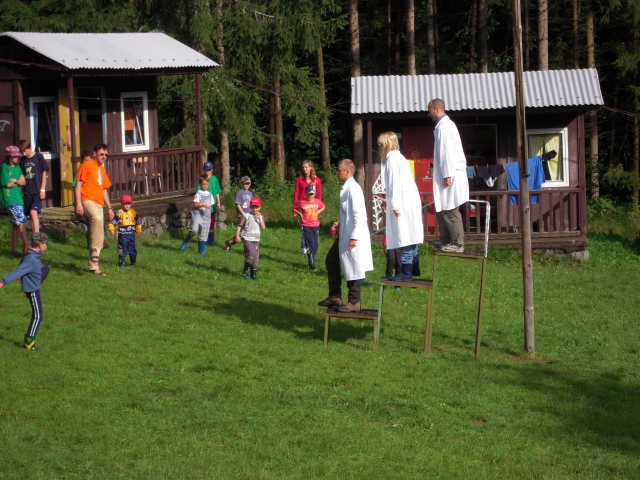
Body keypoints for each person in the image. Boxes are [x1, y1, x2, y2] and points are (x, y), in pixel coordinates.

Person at [318, 159, 373, 313]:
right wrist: (341, 222)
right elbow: (349, 213)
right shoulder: (346, 189)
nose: (337, 172)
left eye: (339, 170)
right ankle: (335, 295)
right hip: (345, 233)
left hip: (353, 235)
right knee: (332, 260)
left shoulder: (354, 189)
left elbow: (360, 215)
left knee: (353, 265)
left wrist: (354, 237)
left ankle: (354, 301)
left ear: (347, 172)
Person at [378, 131, 424, 281]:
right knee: (410, 234)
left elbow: (394, 184)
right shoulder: (399, 158)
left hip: (403, 201)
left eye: (381, 144)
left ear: (387, 145)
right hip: (408, 199)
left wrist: (395, 205)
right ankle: (414, 266)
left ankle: (406, 271)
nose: (379, 147)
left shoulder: (392, 160)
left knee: (404, 235)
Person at [427, 98, 469, 253]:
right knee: (442, 207)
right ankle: (445, 239)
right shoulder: (443, 126)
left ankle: (457, 243)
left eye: (430, 111)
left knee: (450, 208)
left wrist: (447, 174)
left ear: (437, 109)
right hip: (448, 172)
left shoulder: (444, 127)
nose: (428, 114)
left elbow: (446, 153)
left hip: (451, 174)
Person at [0, 232, 50, 350]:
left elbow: (23, 265)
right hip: (32, 289)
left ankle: (35, 277)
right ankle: (29, 342)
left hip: (34, 280)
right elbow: (18, 271)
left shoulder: (30, 252)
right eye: (46, 244)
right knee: (38, 315)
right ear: (41, 245)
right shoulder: (31, 259)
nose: (47, 246)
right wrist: (2, 282)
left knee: (46, 268)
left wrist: (23, 274)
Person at [75, 144, 114, 276]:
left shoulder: (102, 170)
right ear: (95, 154)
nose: (104, 156)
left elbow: (104, 190)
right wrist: (78, 204)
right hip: (87, 200)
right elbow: (78, 185)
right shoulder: (86, 165)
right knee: (96, 219)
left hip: (99, 203)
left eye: (106, 154)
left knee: (98, 229)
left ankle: (94, 264)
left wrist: (109, 208)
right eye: (101, 154)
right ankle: (95, 251)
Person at [2, 146, 29, 257]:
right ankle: (27, 247)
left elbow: (23, 182)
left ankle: (14, 250)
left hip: (18, 198)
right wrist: (17, 181)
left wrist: (15, 181)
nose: (17, 158)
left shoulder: (17, 167)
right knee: (21, 221)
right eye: (15, 156)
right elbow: (7, 184)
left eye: (18, 156)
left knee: (16, 225)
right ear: (9, 157)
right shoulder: (4, 167)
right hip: (9, 199)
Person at [292, 160, 323, 254]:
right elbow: (296, 193)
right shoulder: (299, 179)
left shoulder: (316, 180)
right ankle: (304, 246)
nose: (304, 169)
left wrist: (318, 208)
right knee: (304, 226)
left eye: (306, 167)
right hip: (303, 206)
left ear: (310, 167)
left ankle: (313, 245)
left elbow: (319, 195)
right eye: (303, 167)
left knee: (313, 226)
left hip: (313, 206)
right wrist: (295, 210)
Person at [19, 140, 49, 234]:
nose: (24, 153)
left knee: (33, 212)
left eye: (25, 151)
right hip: (27, 191)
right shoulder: (22, 160)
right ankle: (34, 236)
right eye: (22, 152)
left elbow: (44, 173)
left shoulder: (38, 157)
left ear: (29, 148)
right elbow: (21, 176)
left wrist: (42, 189)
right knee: (31, 216)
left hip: (37, 191)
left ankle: (37, 237)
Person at [179, 175, 214, 257]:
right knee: (194, 230)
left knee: (204, 234)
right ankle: (186, 241)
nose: (205, 186)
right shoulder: (198, 193)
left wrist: (209, 213)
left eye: (206, 184)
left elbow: (210, 205)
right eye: (203, 184)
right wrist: (203, 205)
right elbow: (195, 204)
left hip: (206, 216)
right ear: (200, 184)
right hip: (198, 214)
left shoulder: (210, 194)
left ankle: (201, 252)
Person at [295, 184, 325, 269]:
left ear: (314, 194)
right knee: (311, 243)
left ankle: (311, 256)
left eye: (312, 194)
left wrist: (318, 212)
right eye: (308, 194)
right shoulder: (302, 202)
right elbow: (294, 207)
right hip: (306, 225)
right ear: (305, 193)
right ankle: (311, 262)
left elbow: (323, 206)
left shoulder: (317, 202)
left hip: (315, 225)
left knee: (315, 245)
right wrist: (300, 213)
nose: (310, 196)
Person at [236, 197, 266, 280]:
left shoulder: (260, 217)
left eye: (256, 207)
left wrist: (260, 219)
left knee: (256, 257)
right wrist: (237, 236)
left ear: (259, 207)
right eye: (253, 207)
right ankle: (245, 270)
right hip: (247, 238)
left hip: (255, 239)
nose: (255, 209)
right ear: (250, 207)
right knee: (251, 253)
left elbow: (263, 227)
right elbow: (239, 226)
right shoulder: (247, 216)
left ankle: (253, 274)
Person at [108, 194, 142, 267]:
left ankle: (133, 262)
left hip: (131, 235)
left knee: (132, 248)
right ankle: (122, 262)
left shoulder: (133, 212)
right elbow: (113, 222)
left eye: (129, 204)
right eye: (125, 204)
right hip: (123, 236)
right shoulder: (120, 213)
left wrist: (138, 230)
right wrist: (111, 229)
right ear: (122, 204)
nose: (127, 206)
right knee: (122, 248)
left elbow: (138, 222)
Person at [224, 176, 253, 251]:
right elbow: (238, 204)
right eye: (245, 183)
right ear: (241, 184)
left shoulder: (250, 193)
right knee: (243, 232)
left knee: (246, 232)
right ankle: (229, 243)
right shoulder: (240, 193)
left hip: (249, 215)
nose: (246, 185)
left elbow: (252, 205)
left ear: (250, 184)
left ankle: (231, 243)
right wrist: (243, 213)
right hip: (242, 215)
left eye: (248, 183)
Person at [203, 161, 222, 246]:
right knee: (205, 223)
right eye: (206, 170)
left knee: (211, 223)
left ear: (212, 170)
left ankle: (211, 240)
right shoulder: (202, 179)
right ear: (204, 170)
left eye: (209, 170)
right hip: (205, 205)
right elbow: (198, 192)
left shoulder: (214, 179)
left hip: (212, 205)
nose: (208, 171)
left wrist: (218, 202)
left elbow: (217, 192)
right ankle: (205, 240)